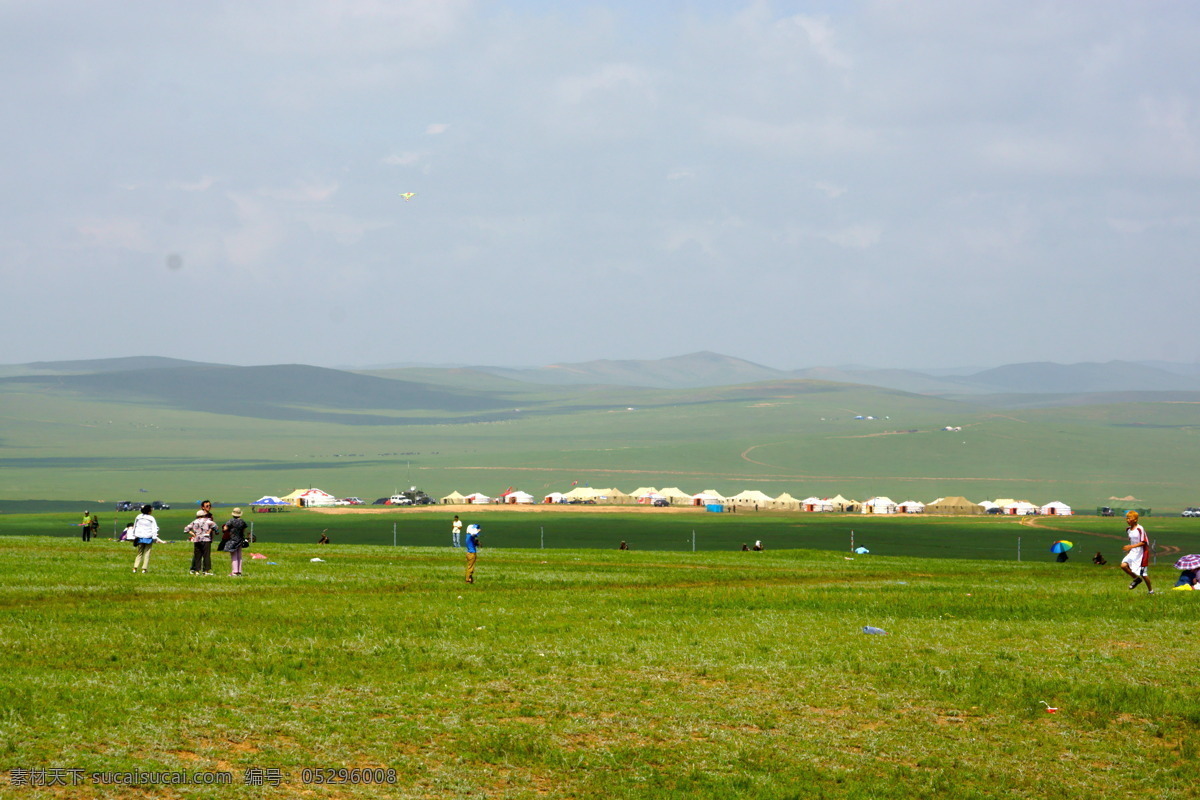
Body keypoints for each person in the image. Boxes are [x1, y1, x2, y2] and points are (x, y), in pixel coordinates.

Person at [1120, 511, 1153, 593]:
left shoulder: (1140, 528)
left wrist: (1130, 547)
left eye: (1129, 518)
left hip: (1141, 553)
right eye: (1127, 518)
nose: (1127, 520)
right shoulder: (1128, 530)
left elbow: (1143, 542)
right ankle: (1136, 579)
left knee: (1143, 573)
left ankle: (1151, 591)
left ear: (1135, 520)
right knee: (1123, 566)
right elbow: (1132, 542)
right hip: (1132, 552)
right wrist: (1129, 550)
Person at [131, 504, 165, 573]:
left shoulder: (138, 517)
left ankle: (135, 567)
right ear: (149, 511)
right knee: (147, 553)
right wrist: (154, 537)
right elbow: (154, 528)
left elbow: (135, 526)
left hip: (139, 536)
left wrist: (134, 535)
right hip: (148, 537)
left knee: (139, 553)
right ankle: (144, 569)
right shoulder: (151, 518)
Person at [185, 510, 217, 576]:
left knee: (197, 556)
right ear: (204, 515)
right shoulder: (208, 521)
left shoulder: (194, 522)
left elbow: (186, 529)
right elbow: (215, 526)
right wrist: (209, 531)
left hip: (197, 539)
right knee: (206, 556)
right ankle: (206, 571)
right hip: (206, 539)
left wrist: (193, 534)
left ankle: (197, 571)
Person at [220, 508, 248, 577]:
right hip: (240, 539)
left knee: (234, 556)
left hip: (232, 539)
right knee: (239, 555)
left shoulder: (231, 521)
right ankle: (239, 571)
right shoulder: (242, 521)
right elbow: (244, 530)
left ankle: (234, 571)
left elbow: (225, 528)